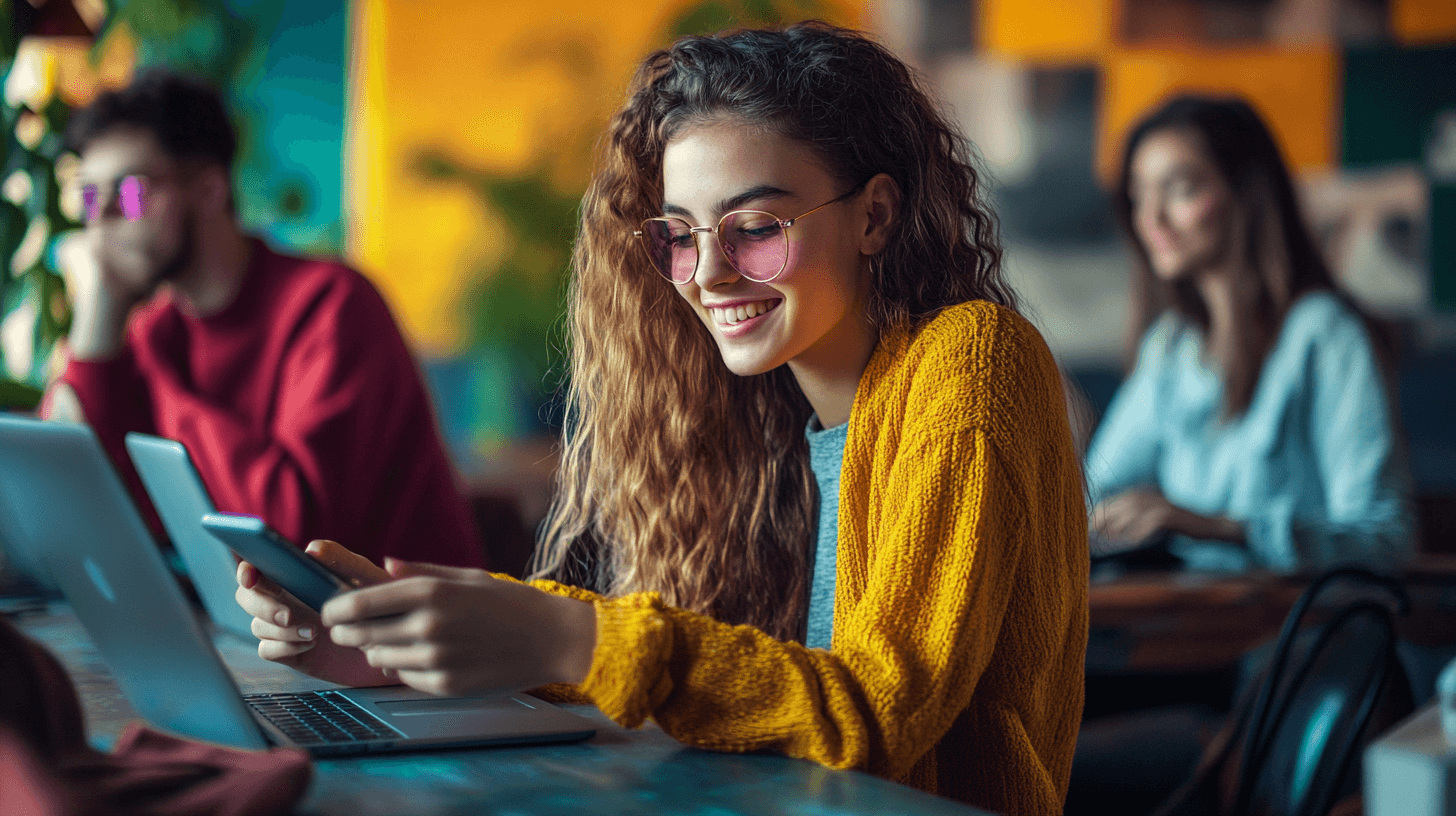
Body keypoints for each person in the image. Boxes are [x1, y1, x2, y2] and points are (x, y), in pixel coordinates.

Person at [236, 24, 1087, 816]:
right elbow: (739, 680)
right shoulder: (774, 422)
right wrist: (398, 645)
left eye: (755, 227)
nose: (707, 274)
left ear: (875, 216)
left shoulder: (973, 360)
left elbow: (877, 713)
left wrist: (565, 636)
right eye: (681, 234)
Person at [43, 69, 486, 570]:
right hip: (259, 624)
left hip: (400, 625)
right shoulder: (157, 328)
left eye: (128, 194)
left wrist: (164, 379)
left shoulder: (332, 304)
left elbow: (294, 535)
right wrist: (97, 316)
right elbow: (67, 504)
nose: (101, 220)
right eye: (87, 197)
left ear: (209, 191)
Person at [1086, 94, 1413, 573]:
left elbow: (1387, 540)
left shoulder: (1324, 334)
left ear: (1245, 193)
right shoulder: (1172, 346)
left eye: (1178, 189)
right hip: (1197, 629)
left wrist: (1217, 526)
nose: (1150, 219)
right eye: (1138, 196)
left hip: (1301, 637)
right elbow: (1097, 491)